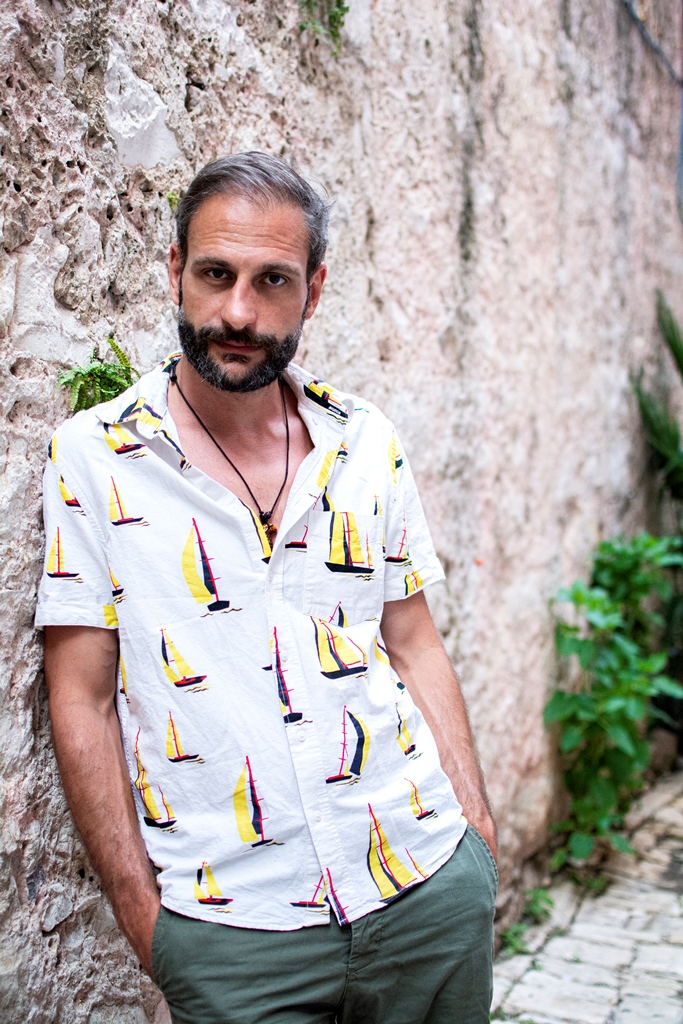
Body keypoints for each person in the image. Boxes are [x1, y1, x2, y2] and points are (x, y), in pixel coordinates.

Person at [37, 152, 497, 1024]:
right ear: (175, 271)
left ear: (312, 290)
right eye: (215, 274)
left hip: (426, 888)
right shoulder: (95, 460)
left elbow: (413, 642)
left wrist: (473, 830)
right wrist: (147, 921)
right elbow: (82, 697)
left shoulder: (365, 442)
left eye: (272, 281)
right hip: (234, 934)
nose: (238, 313)